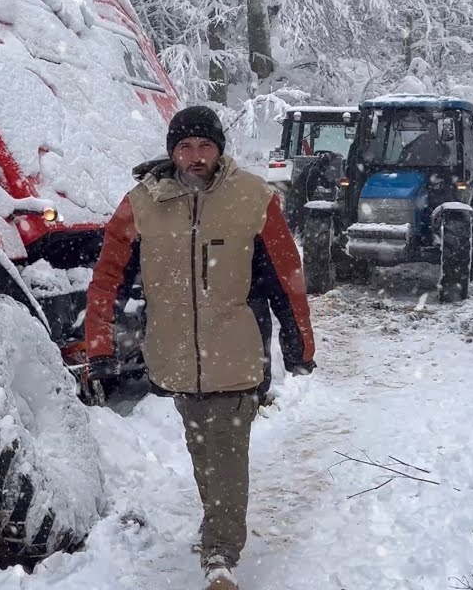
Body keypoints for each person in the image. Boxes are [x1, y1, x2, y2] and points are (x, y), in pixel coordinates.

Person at [84, 105, 317, 590]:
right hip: (175, 354)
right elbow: (109, 277)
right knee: (201, 450)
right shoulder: (142, 203)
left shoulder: (253, 198)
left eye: (205, 146)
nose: (196, 157)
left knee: (228, 452)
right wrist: (100, 341)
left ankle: (220, 553)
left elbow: (286, 278)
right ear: (172, 151)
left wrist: (298, 343)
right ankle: (217, 523)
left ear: (219, 150)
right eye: (185, 147)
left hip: (235, 351)